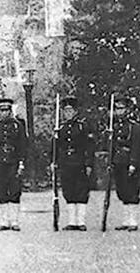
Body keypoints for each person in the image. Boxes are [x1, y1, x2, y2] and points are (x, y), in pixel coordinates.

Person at [54, 96, 95, 231]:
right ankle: (72, 221)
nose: (68, 114)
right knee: (68, 190)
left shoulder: (83, 127)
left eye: (70, 111)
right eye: (65, 111)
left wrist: (89, 164)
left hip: (80, 162)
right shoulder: (60, 128)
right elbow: (55, 148)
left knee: (81, 190)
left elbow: (89, 147)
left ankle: (81, 221)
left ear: (76, 112)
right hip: (66, 163)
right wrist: (54, 162)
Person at [0, 98, 27, 231]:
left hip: (13, 160)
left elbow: (23, 144)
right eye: (1, 110)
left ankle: (14, 220)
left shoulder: (18, 125)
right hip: (0, 161)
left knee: (14, 189)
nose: (3, 113)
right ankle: (4, 221)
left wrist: (21, 162)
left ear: (10, 111)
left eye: (6, 110)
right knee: (1, 190)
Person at [110, 95, 140, 231]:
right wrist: (111, 161)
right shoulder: (114, 126)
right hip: (118, 161)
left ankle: (133, 221)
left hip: (128, 161)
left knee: (132, 191)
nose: (119, 111)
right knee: (122, 190)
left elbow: (137, 146)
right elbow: (112, 146)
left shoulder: (134, 127)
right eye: (117, 109)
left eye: (121, 108)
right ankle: (126, 221)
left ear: (127, 110)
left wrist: (133, 163)